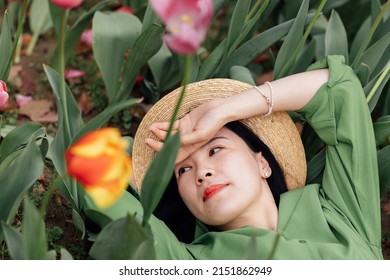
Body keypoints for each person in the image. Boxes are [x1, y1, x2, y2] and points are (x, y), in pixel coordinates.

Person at [88, 55, 384, 259]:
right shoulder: (190, 261)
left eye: (215, 149)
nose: (201, 172)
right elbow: (89, 172)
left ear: (262, 162)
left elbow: (339, 91)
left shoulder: (341, 215)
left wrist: (223, 110)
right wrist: (145, 150)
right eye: (183, 170)